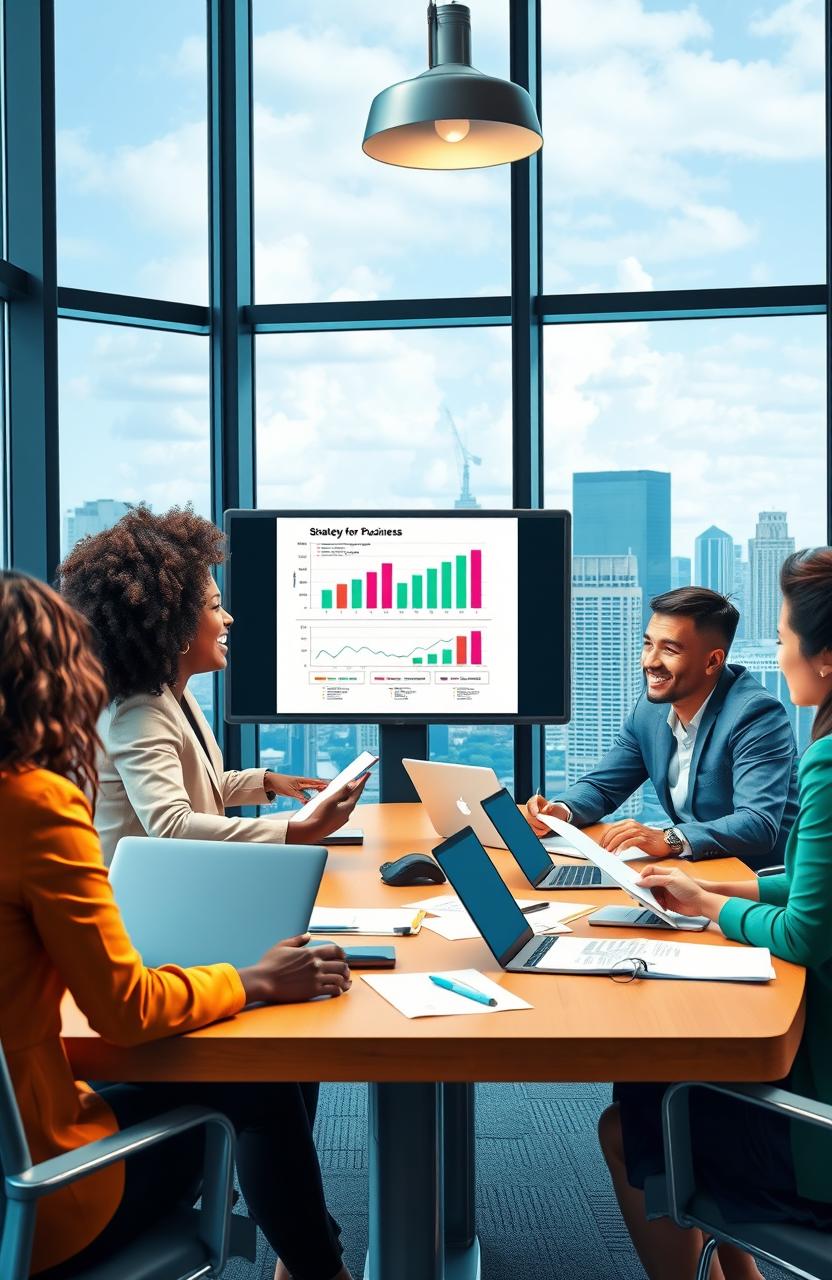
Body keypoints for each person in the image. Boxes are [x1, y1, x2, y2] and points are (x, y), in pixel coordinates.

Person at [0, 571, 354, 1280]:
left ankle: (311, 1259)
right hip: (40, 1200)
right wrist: (253, 981)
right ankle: (323, 1272)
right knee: (265, 1080)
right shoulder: (34, 808)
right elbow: (124, 1012)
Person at [598, 548, 832, 1280]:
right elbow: (804, 883)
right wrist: (716, 896)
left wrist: (712, 911)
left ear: (824, 661)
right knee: (657, 1088)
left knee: (633, 1122)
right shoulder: (652, 714)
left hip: (817, 1138)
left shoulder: (808, 747)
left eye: (787, 636)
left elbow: (806, 930)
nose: (779, 650)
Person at [59, 506, 366, 864]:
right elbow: (171, 825)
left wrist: (267, 781)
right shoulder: (140, 713)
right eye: (215, 607)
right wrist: (299, 831)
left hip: (181, 884)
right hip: (144, 906)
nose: (228, 618)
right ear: (178, 626)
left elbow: (192, 786)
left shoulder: (172, 693)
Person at [527, 587, 798, 871]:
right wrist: (562, 811)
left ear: (713, 661)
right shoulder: (650, 708)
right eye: (648, 644)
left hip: (758, 882)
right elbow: (602, 787)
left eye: (669, 649)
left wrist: (669, 839)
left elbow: (757, 824)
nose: (650, 661)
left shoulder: (756, 714)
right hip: (695, 870)